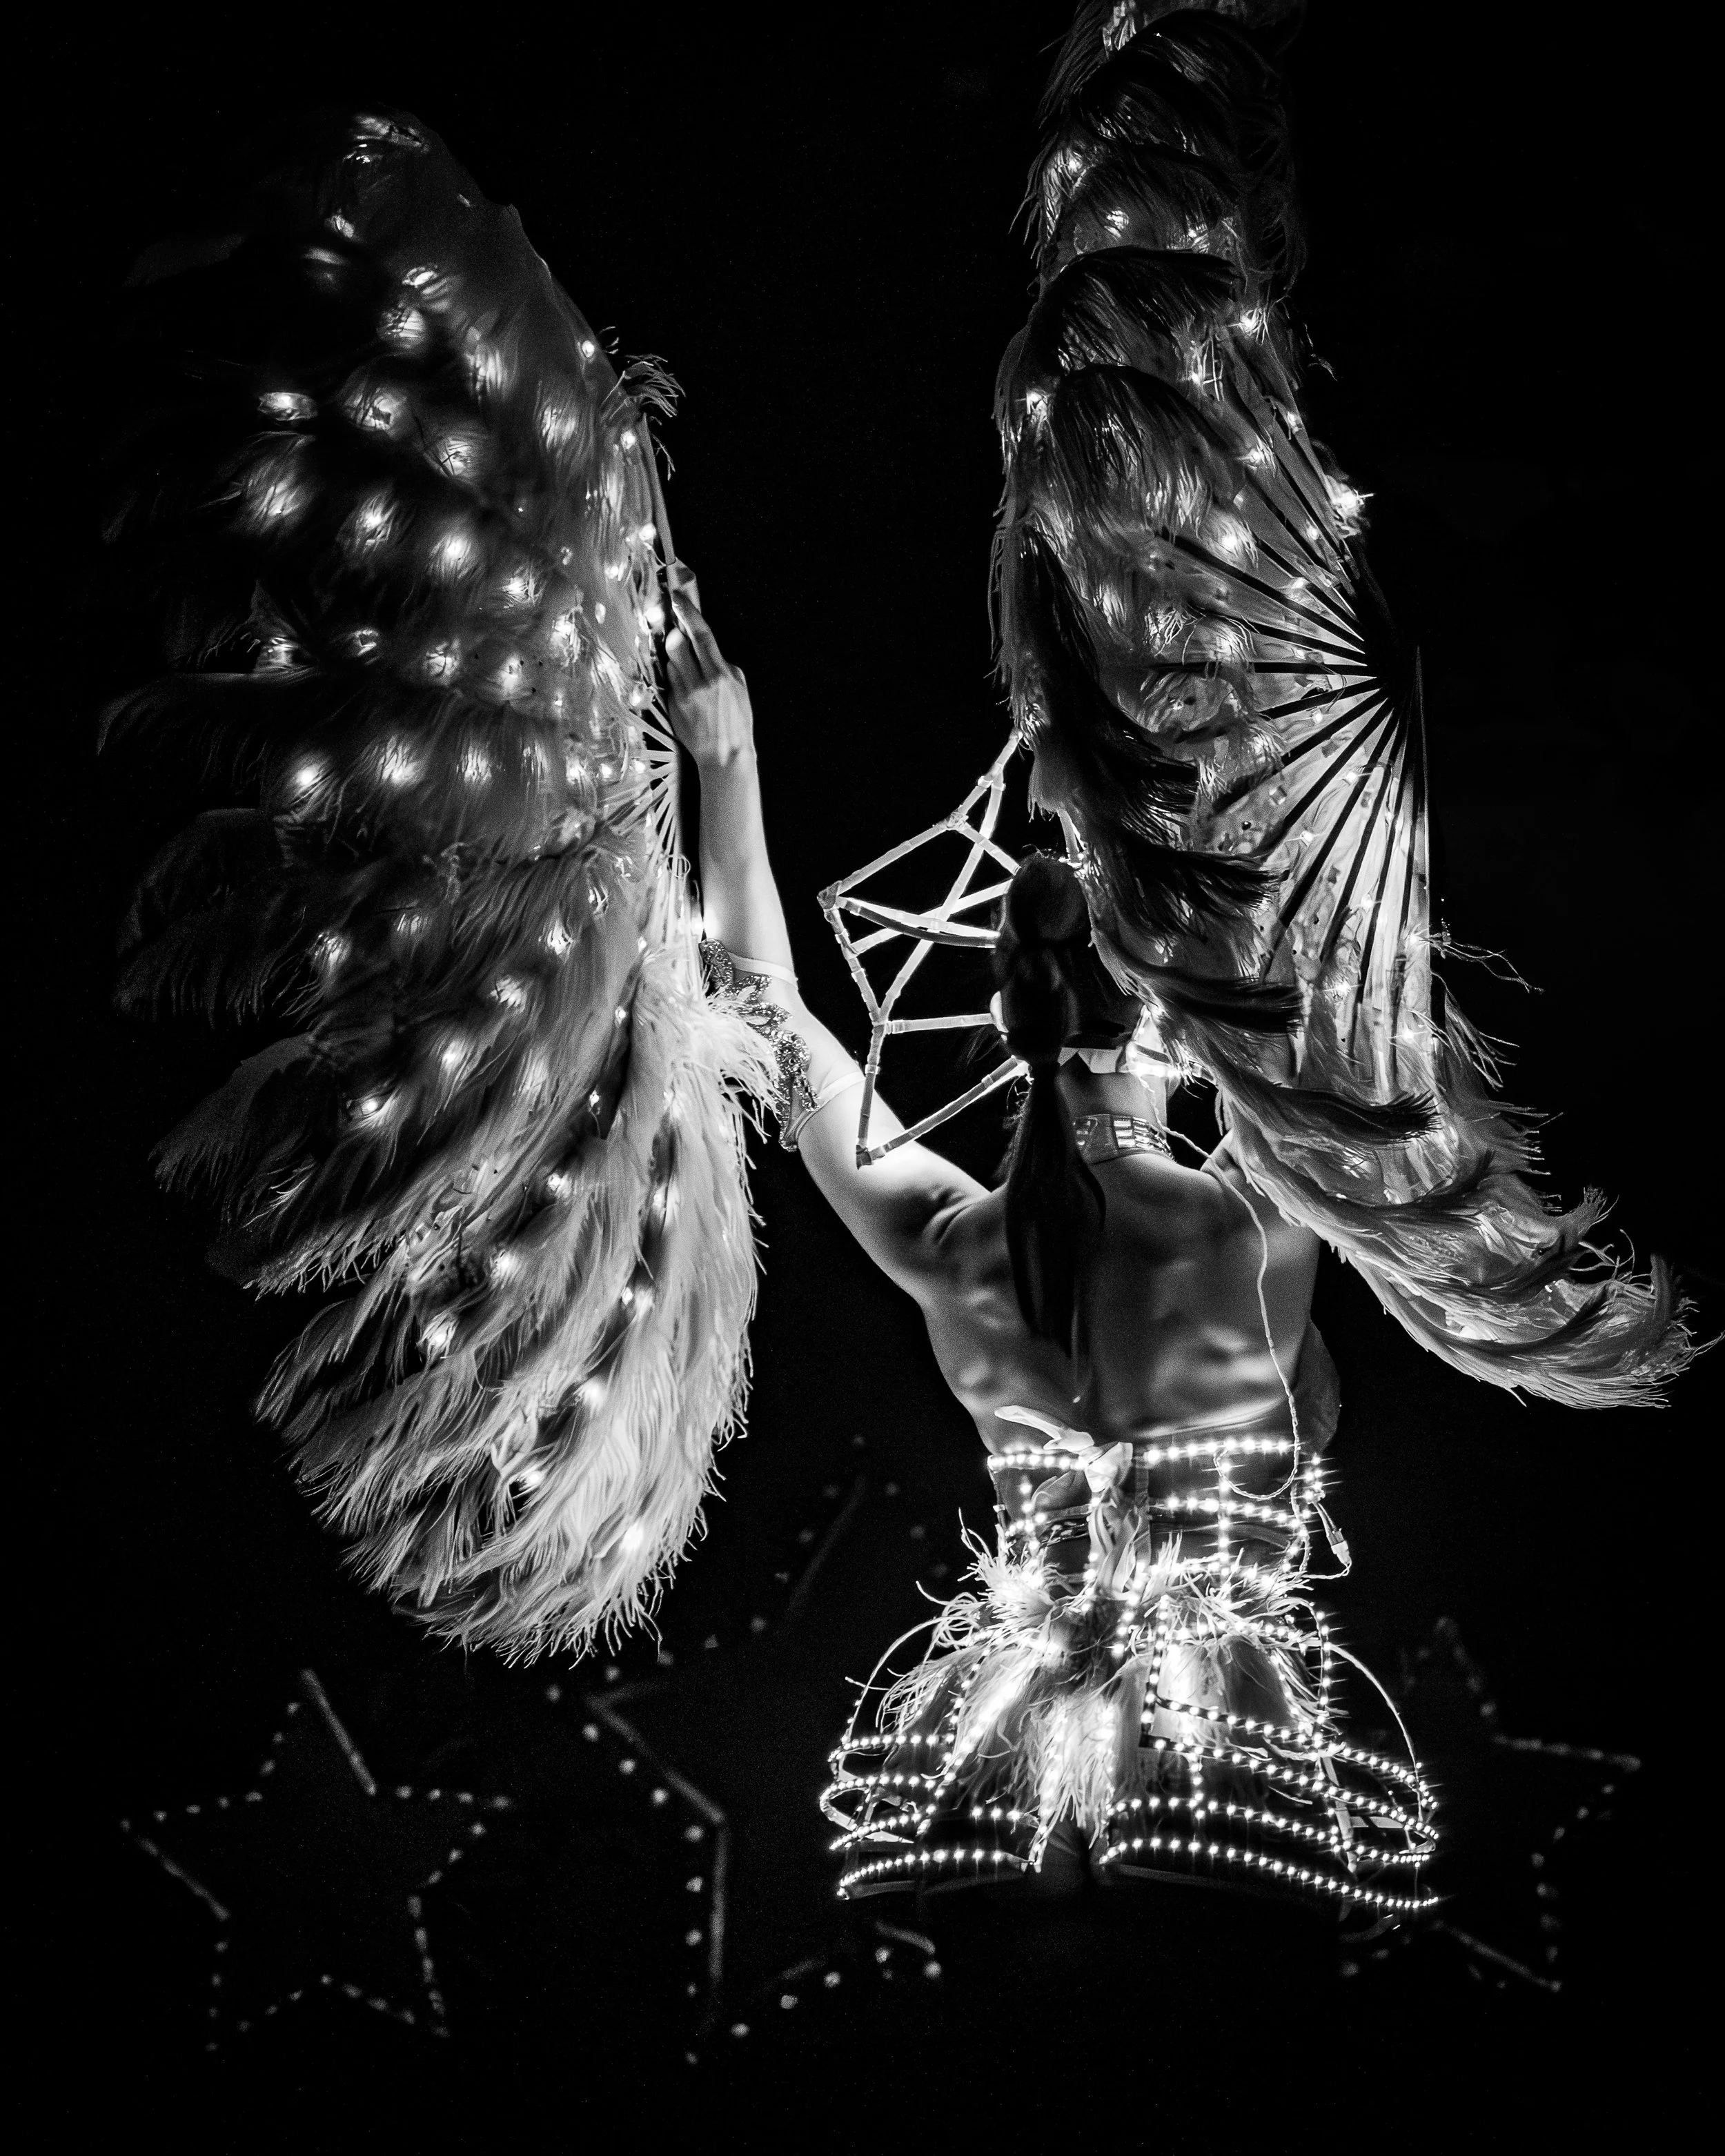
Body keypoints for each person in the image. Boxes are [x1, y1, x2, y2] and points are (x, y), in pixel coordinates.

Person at [667, 587, 1433, 1921]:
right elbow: (1350, 990)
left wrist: (721, 763)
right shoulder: (1243, 1221)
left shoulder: (955, 1244)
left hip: (1024, 1738)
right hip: (1216, 1754)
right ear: (1168, 1029)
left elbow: (757, 1008)